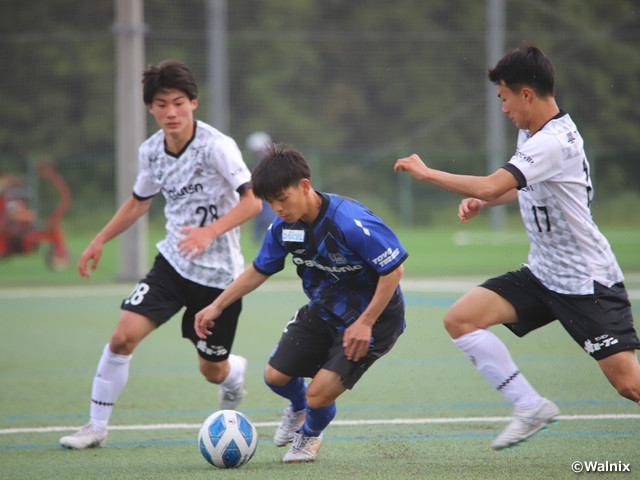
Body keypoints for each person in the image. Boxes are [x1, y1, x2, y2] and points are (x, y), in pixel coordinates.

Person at [394, 45, 640, 451]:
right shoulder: (532, 131)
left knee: (629, 386)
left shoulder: (554, 141)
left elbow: (495, 181)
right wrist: (486, 202)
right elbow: (516, 185)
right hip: (543, 273)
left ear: (526, 94)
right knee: (460, 319)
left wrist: (427, 173)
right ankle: (530, 406)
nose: (503, 108)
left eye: (504, 97)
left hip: (585, 282)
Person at [59, 60, 262, 450]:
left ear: (194, 103)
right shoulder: (151, 151)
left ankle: (234, 372)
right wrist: (100, 239)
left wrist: (210, 232)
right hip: (171, 265)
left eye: (179, 103)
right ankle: (96, 427)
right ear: (150, 107)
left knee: (212, 371)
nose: (171, 112)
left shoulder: (217, 146)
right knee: (122, 337)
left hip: (220, 279)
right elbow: (138, 203)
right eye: (161, 103)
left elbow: (253, 203)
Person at [195, 144, 408, 463]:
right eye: (270, 202)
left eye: (283, 199)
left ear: (304, 186)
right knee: (275, 377)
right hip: (324, 309)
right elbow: (259, 269)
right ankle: (297, 410)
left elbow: (393, 269)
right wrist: (217, 305)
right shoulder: (283, 228)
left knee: (318, 394)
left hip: (373, 318)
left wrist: (364, 323)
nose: (278, 208)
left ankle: (309, 435)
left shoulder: (348, 221)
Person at [245, 131, 277, 243]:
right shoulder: (269, 157)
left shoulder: (263, 159)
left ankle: (271, 236)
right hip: (265, 192)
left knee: (266, 216)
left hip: (266, 192)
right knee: (261, 215)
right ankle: (260, 239)